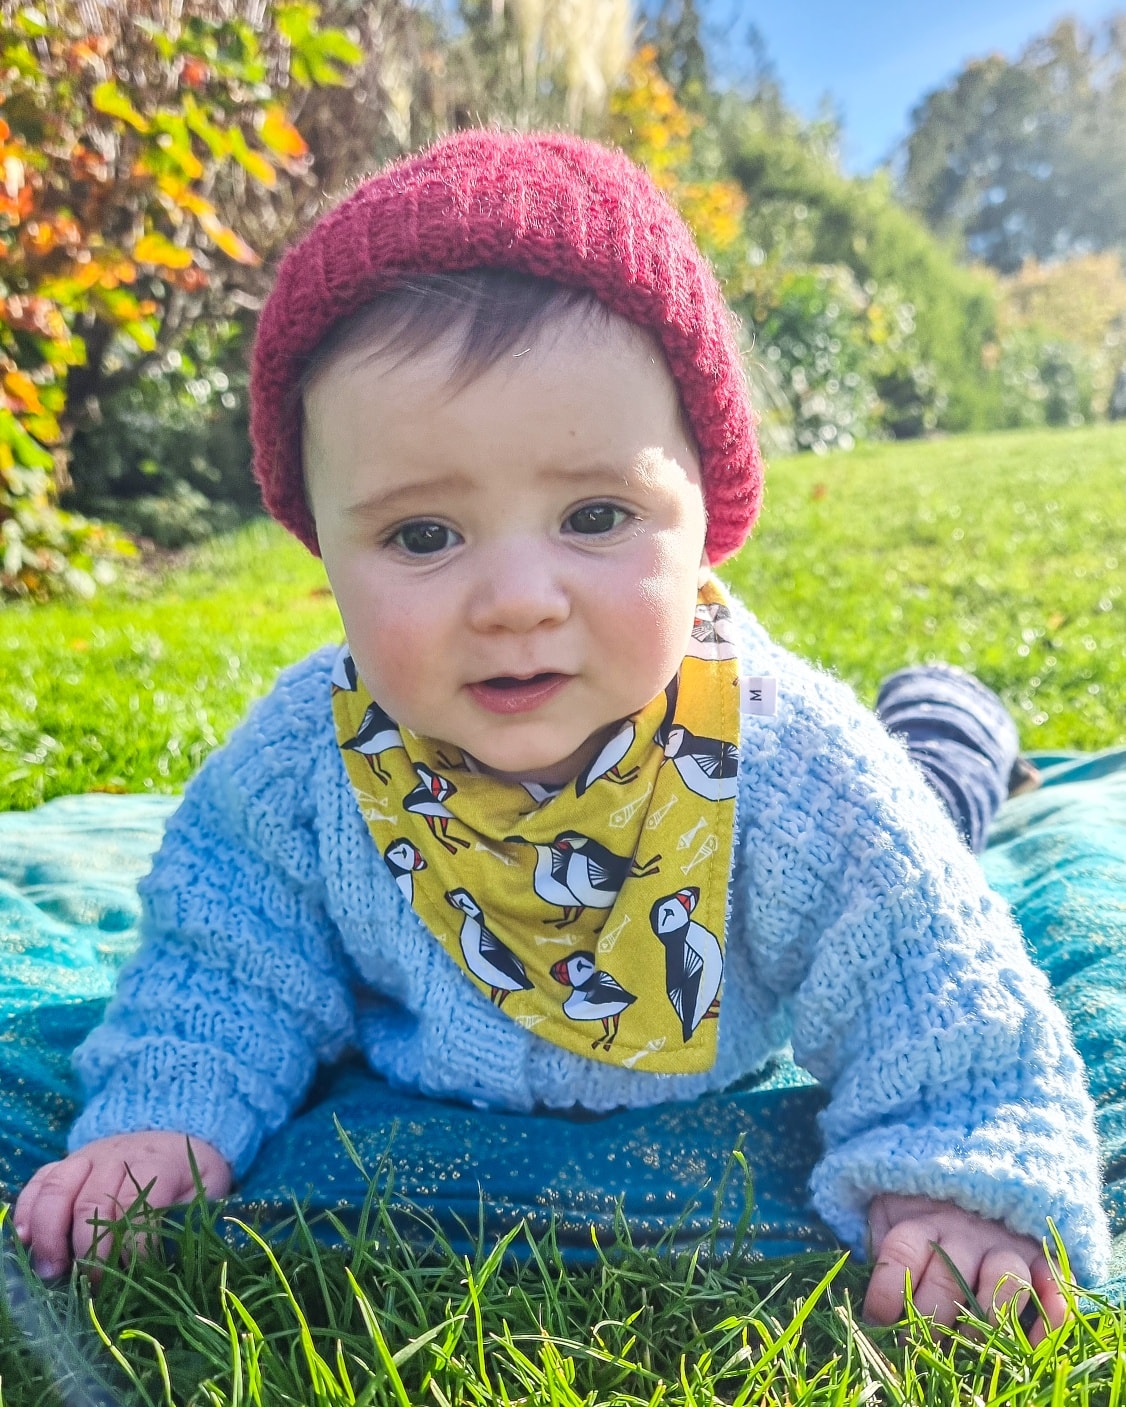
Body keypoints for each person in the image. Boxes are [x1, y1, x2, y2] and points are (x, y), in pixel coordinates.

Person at [14, 130, 1109, 1333]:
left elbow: (922, 968)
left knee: (932, 798)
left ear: (704, 518)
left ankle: (951, 714)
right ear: (322, 546)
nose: (517, 599)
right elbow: (227, 958)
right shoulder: (303, 767)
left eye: (595, 514)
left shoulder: (791, 761)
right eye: (423, 536)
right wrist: (168, 1106)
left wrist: (950, 1173)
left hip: (840, 855)